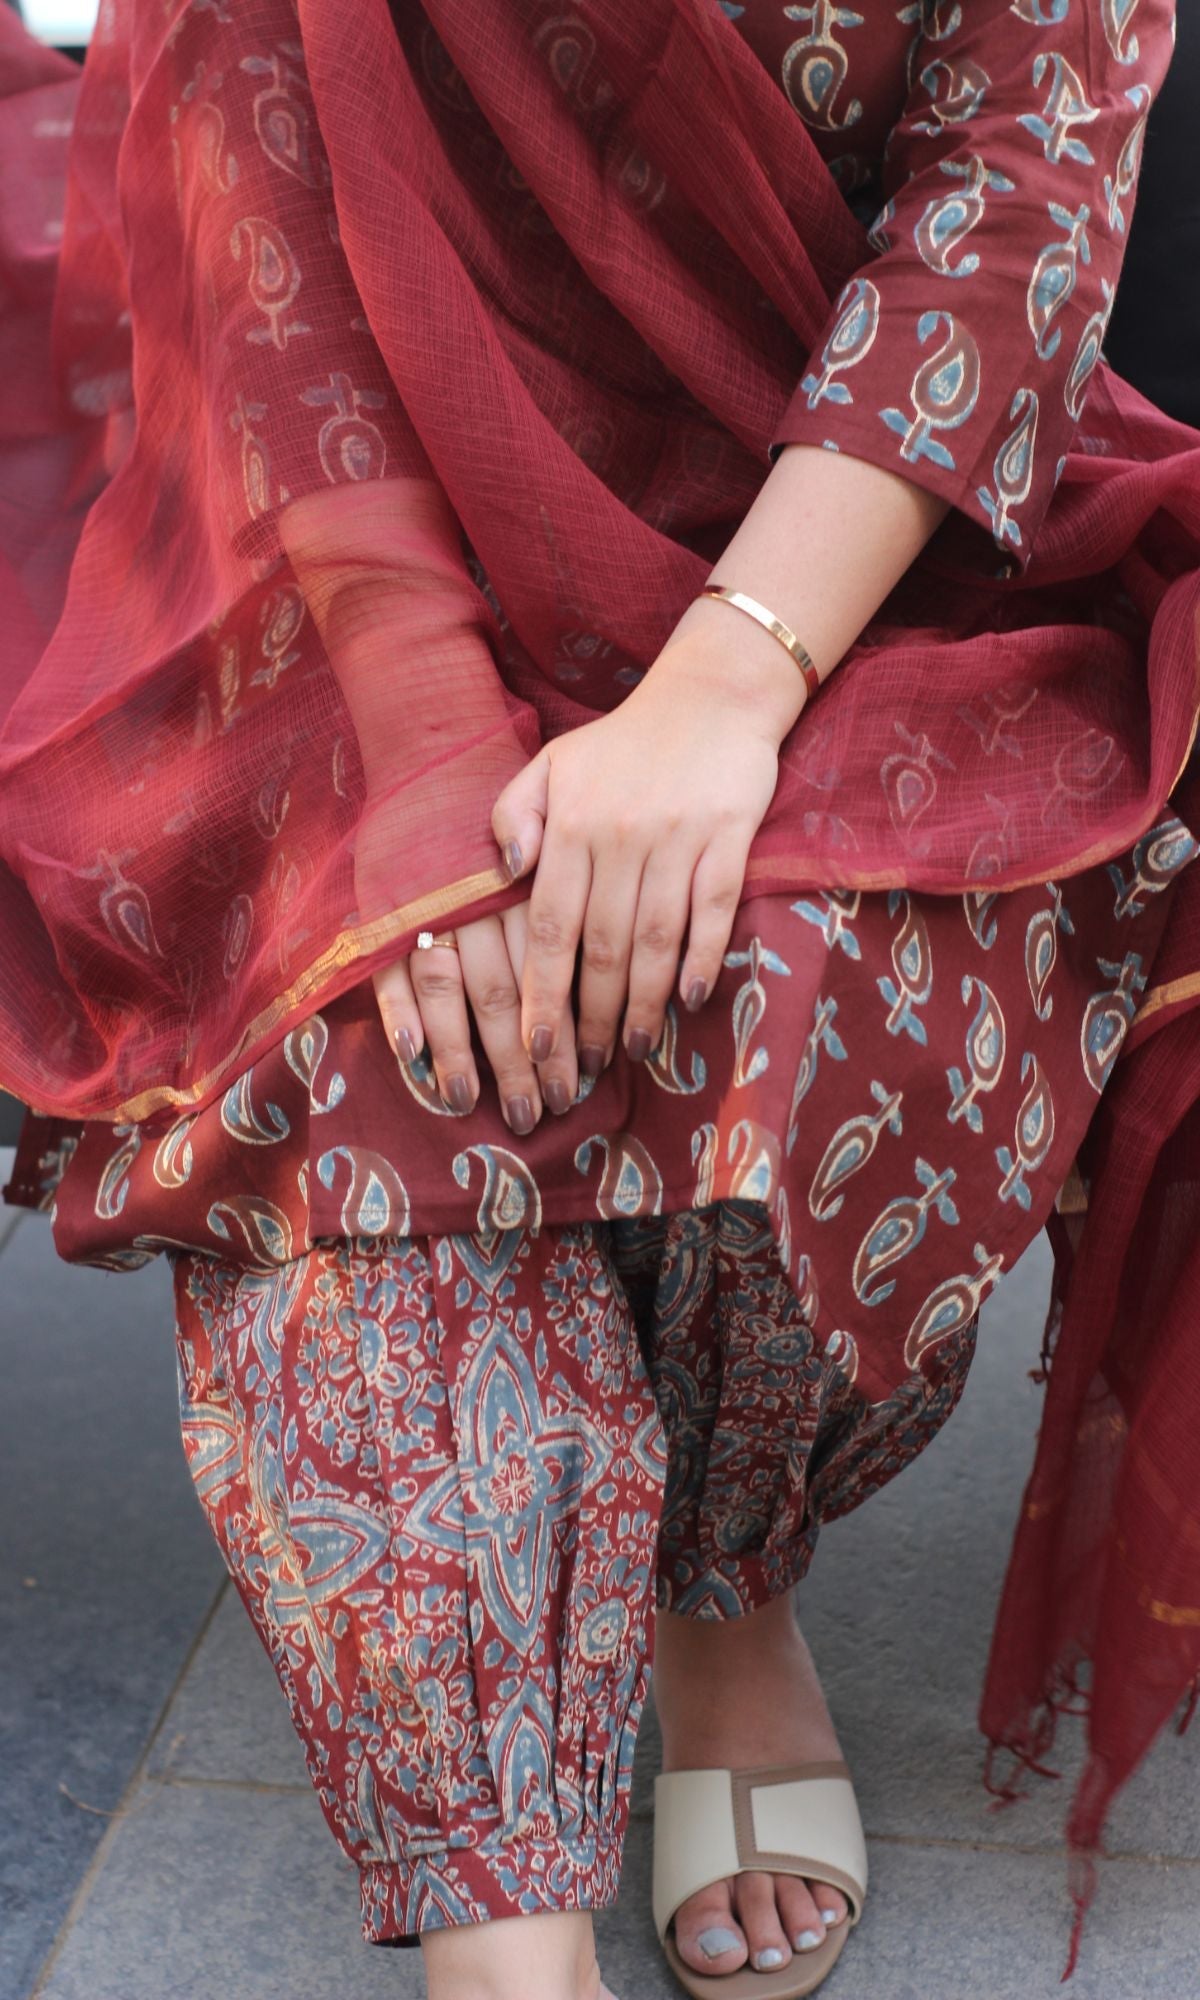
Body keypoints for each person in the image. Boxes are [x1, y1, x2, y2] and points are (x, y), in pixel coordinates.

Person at [2, 3, 1200, 1997]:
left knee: (801, 965)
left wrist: (726, 693)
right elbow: (263, 218)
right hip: (330, 552)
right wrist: (416, 732)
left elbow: (1012, 200)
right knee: (375, 1046)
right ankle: (505, 1929)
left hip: (844, 544)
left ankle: (731, 1591)